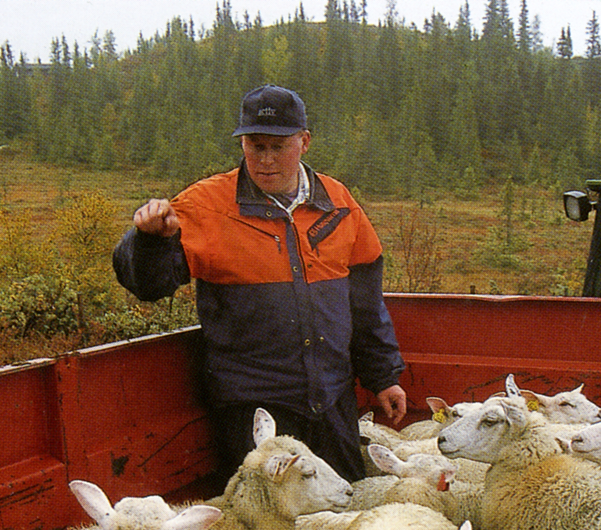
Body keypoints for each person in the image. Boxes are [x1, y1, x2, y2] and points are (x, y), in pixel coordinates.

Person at [113, 83, 408, 485]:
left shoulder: (338, 203)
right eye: (255, 146)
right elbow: (148, 284)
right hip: (254, 409)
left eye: (279, 146)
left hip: (334, 399)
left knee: (345, 511)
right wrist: (149, 241)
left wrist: (383, 376)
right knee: (270, 524)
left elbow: (365, 304)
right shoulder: (206, 205)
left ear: (304, 142)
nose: (266, 160)